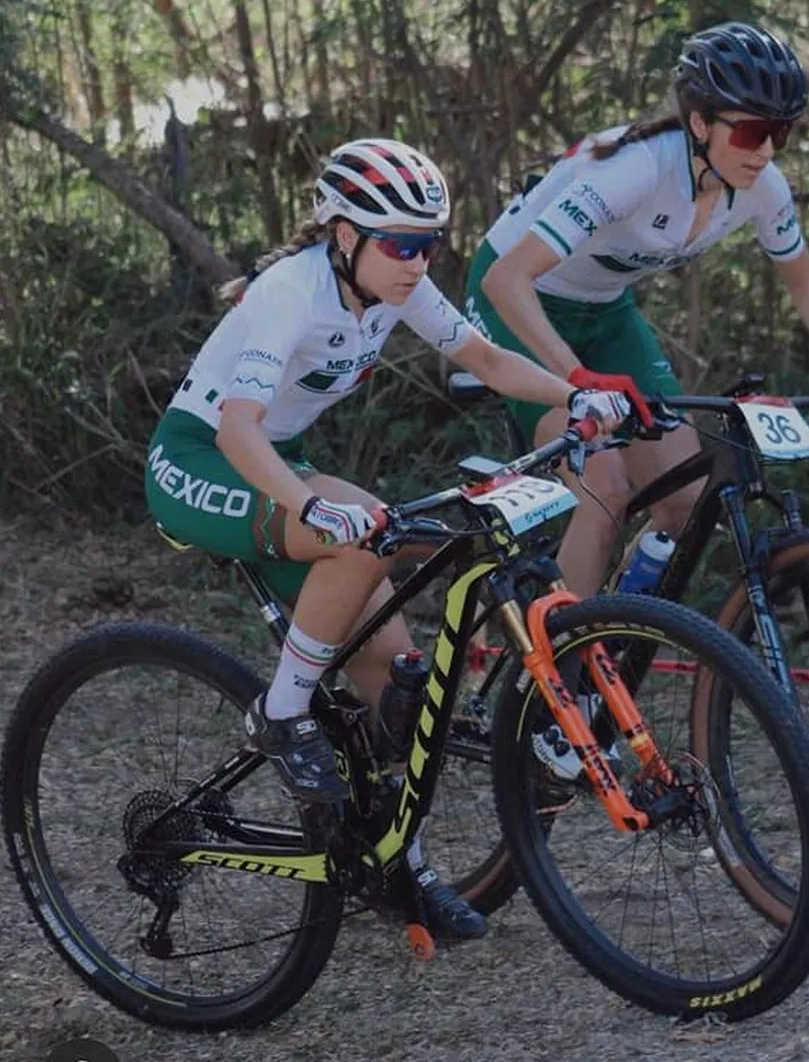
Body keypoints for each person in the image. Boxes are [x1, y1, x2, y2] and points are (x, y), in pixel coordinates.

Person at [144, 138, 629, 938]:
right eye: (403, 243)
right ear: (344, 235)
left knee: (394, 677)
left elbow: (482, 355)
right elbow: (237, 431)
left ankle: (394, 864)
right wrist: (306, 503)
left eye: (430, 243)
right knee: (359, 536)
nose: (418, 260)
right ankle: (283, 707)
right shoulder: (288, 292)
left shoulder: (396, 283)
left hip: (277, 457)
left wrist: (577, 394)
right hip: (200, 458)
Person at [463, 21, 809, 596]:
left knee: (686, 502)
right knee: (605, 485)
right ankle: (556, 675)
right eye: (752, 133)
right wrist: (575, 379)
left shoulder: (762, 187)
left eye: (781, 134)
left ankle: (612, 632)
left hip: (604, 309)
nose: (766, 151)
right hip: (517, 302)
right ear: (700, 123)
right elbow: (505, 278)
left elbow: (803, 280)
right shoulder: (636, 170)